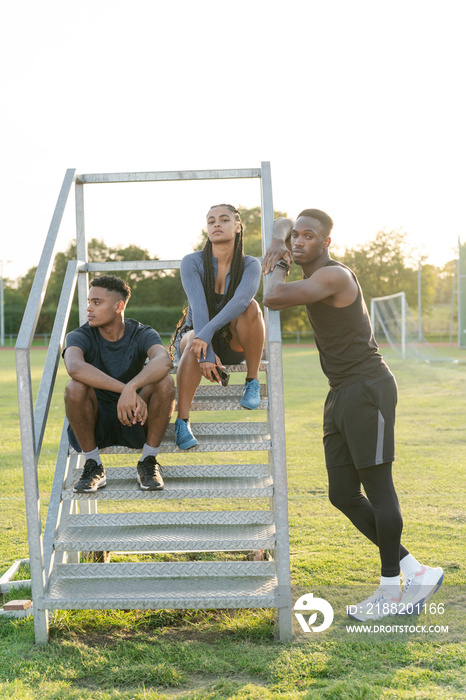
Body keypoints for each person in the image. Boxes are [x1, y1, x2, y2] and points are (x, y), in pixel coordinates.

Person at [262, 209, 444, 621]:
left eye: (308, 236)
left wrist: (281, 260)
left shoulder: (333, 276)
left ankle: (390, 590)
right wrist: (278, 238)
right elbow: (282, 225)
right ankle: (416, 571)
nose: (298, 241)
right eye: (295, 236)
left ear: (326, 243)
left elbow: (272, 296)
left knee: (378, 488)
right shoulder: (303, 261)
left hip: (368, 387)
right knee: (342, 494)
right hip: (339, 391)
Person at [63, 275, 175, 493]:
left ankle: (148, 461)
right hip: (97, 420)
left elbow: (163, 361)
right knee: (74, 387)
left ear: (119, 306)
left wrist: (132, 388)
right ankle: (93, 464)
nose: (89, 308)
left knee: (165, 382)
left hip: (136, 417)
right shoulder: (80, 335)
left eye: (97, 302)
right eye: (89, 302)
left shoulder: (142, 332)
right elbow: (74, 367)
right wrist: (125, 389)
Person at [170, 203, 265, 450]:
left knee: (252, 307)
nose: (216, 225)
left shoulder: (250, 264)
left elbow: (241, 302)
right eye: (211, 221)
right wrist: (206, 354)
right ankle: (182, 422)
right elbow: (199, 308)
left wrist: (209, 337)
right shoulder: (192, 262)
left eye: (224, 220)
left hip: (231, 340)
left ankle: (252, 381)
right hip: (194, 338)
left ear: (237, 226)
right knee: (194, 341)